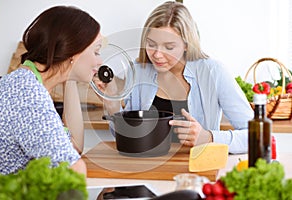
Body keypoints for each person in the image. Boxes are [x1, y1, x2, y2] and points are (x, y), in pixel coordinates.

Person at [105, 1, 253, 154]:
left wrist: (208, 137)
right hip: (146, 166)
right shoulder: (139, 71)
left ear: (187, 45)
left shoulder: (213, 72)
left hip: (196, 172)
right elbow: (127, 136)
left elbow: (257, 136)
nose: (157, 55)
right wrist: (111, 101)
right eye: (151, 44)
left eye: (169, 47)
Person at [0, 6, 102, 175]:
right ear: (73, 52)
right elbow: (73, 168)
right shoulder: (27, 94)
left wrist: (69, 76)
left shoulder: (23, 82)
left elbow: (74, 147)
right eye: (97, 51)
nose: (100, 61)